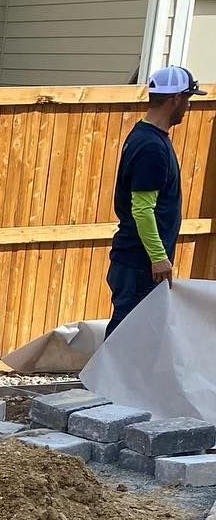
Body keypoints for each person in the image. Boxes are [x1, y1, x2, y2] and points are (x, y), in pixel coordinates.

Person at [107, 66, 205, 335]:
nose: (188, 106)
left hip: (136, 261)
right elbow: (142, 210)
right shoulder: (151, 147)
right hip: (141, 263)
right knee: (128, 334)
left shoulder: (145, 136)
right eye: (188, 98)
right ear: (175, 99)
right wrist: (158, 257)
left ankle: (117, 378)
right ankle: (105, 378)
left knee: (137, 334)